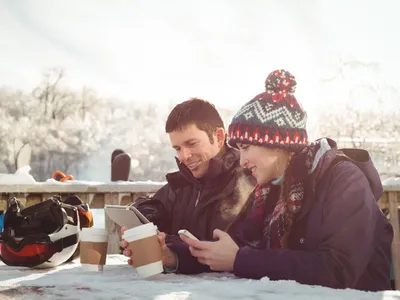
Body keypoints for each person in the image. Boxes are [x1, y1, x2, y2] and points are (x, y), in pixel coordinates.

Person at [168, 70, 392, 291]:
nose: (242, 160)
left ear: (277, 144)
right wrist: (172, 256)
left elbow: (338, 269)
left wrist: (241, 260)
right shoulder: (269, 191)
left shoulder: (344, 181)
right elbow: (231, 249)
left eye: (246, 148)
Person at [121, 98, 255, 267]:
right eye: (177, 148)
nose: (184, 156)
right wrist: (146, 218)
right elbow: (158, 203)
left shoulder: (248, 182)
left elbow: (223, 250)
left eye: (192, 144)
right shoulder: (181, 183)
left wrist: (171, 253)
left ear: (219, 137)